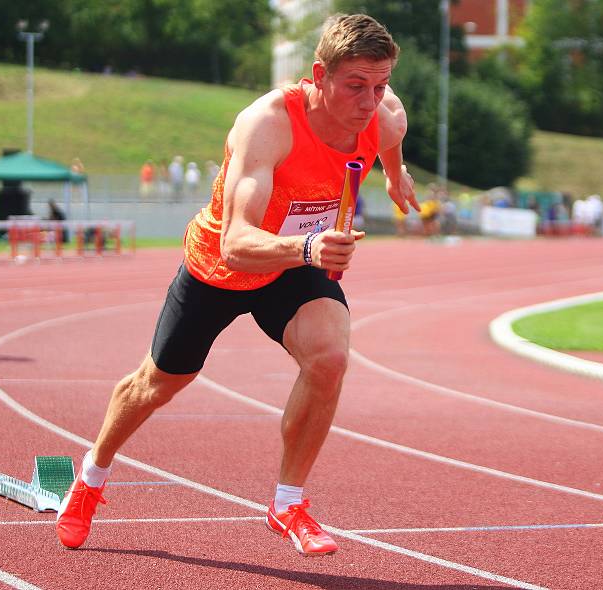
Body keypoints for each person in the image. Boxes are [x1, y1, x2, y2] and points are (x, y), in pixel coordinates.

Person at [56, 13, 418, 556]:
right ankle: (91, 478)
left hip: (295, 266)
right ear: (318, 76)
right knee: (159, 383)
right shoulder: (268, 124)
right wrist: (307, 248)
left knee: (330, 357)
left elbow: (391, 132)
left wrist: (394, 172)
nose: (369, 101)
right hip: (223, 266)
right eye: (355, 87)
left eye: (380, 86)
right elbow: (236, 243)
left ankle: (287, 502)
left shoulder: (384, 116)